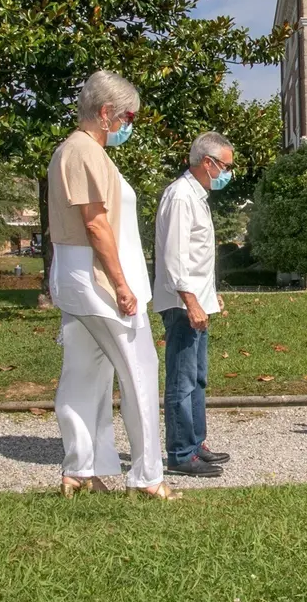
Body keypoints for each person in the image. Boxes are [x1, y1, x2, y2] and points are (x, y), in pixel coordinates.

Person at [48, 71, 178, 500]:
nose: (130, 125)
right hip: (96, 276)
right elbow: (97, 224)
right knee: (140, 369)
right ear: (106, 113)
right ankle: (147, 475)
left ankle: (81, 468)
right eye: (128, 117)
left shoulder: (80, 151)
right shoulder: (83, 151)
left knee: (84, 372)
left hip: (80, 274)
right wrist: (121, 285)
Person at [153, 132, 234, 477]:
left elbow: (197, 256)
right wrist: (190, 301)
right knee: (182, 379)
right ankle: (181, 453)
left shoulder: (196, 197)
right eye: (226, 166)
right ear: (208, 162)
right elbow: (174, 257)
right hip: (182, 304)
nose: (228, 173)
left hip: (197, 301)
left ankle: (196, 442)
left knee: (197, 378)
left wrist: (208, 294)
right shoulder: (180, 197)